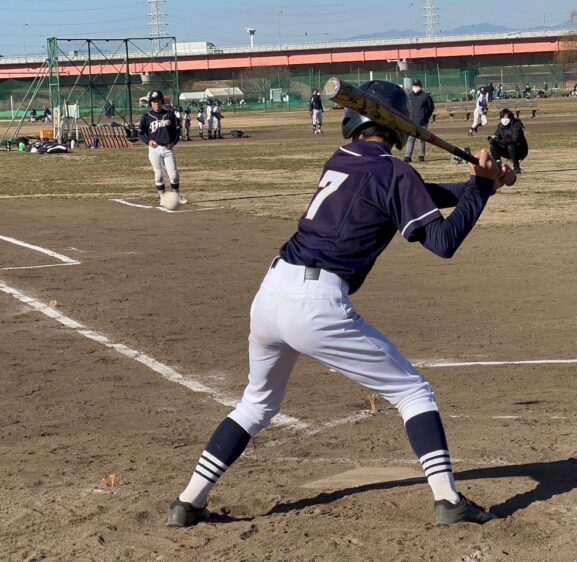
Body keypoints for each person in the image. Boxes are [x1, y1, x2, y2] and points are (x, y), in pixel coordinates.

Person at [165, 80, 514, 529]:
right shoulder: (394, 173)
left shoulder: (342, 160)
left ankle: (188, 501)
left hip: (271, 293)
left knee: (255, 404)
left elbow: (412, 193)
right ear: (397, 128)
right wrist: (480, 191)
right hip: (316, 304)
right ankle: (447, 498)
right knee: (412, 392)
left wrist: (476, 184)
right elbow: (442, 241)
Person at [137, 90, 187, 205]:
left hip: (168, 148)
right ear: (150, 103)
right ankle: (162, 198)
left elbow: (178, 130)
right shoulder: (146, 116)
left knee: (174, 175)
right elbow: (140, 132)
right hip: (155, 149)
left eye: (158, 101)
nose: (156, 104)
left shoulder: (169, 114)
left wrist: (173, 142)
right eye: (154, 101)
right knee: (158, 175)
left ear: (162, 101)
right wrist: (148, 141)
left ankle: (176, 196)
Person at [489, 108, 528, 173]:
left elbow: (514, 139)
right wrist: (492, 140)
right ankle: (498, 165)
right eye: (502, 117)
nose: (504, 119)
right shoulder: (500, 126)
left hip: (520, 151)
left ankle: (516, 167)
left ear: (511, 118)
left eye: (506, 117)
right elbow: (497, 136)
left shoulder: (516, 126)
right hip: (507, 151)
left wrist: (498, 140)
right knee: (493, 146)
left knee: (510, 146)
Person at [404, 79, 434, 163]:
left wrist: (426, 116)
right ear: (412, 87)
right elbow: (407, 108)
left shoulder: (426, 96)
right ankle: (408, 156)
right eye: (414, 85)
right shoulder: (409, 96)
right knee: (410, 139)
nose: (415, 87)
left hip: (422, 122)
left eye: (417, 86)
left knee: (421, 140)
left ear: (420, 87)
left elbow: (430, 107)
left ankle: (421, 156)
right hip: (411, 122)